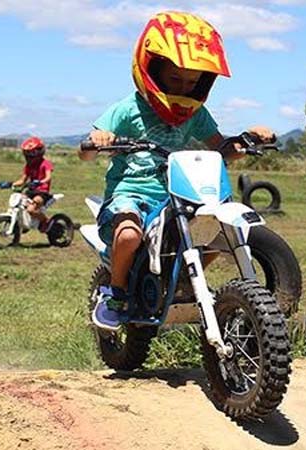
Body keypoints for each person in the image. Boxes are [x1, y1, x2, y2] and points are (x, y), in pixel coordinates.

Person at [79, 11, 275, 330]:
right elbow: (85, 152)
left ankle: (183, 280)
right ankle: (113, 293)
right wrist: (99, 140)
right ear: (151, 69)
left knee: (215, 233)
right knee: (129, 234)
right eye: (174, 79)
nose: (183, 88)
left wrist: (247, 138)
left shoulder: (195, 114)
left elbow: (220, 148)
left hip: (177, 195)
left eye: (191, 82)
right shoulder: (128, 109)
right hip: (131, 196)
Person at [14, 136, 54, 231]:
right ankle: (25, 222)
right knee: (19, 203)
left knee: (31, 209)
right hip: (31, 190)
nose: (28, 156)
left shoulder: (45, 163)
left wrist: (40, 182)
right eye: (27, 153)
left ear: (39, 152)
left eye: (31, 153)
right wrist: (11, 183)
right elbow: (23, 180)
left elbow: (48, 177)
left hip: (42, 192)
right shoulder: (28, 166)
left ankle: (45, 221)